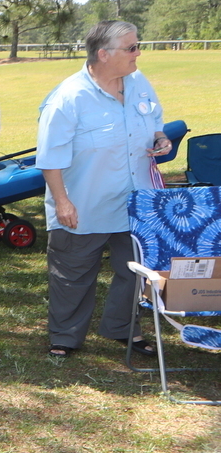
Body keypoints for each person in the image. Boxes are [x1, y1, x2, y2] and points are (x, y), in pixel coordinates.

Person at [37, 20, 168, 359]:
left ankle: (122, 328)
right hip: (84, 202)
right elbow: (49, 157)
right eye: (131, 48)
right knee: (73, 274)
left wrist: (160, 139)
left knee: (134, 271)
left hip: (135, 201)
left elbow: (155, 122)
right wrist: (62, 201)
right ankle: (65, 336)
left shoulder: (138, 82)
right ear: (103, 54)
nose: (138, 53)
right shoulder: (69, 97)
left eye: (137, 45)